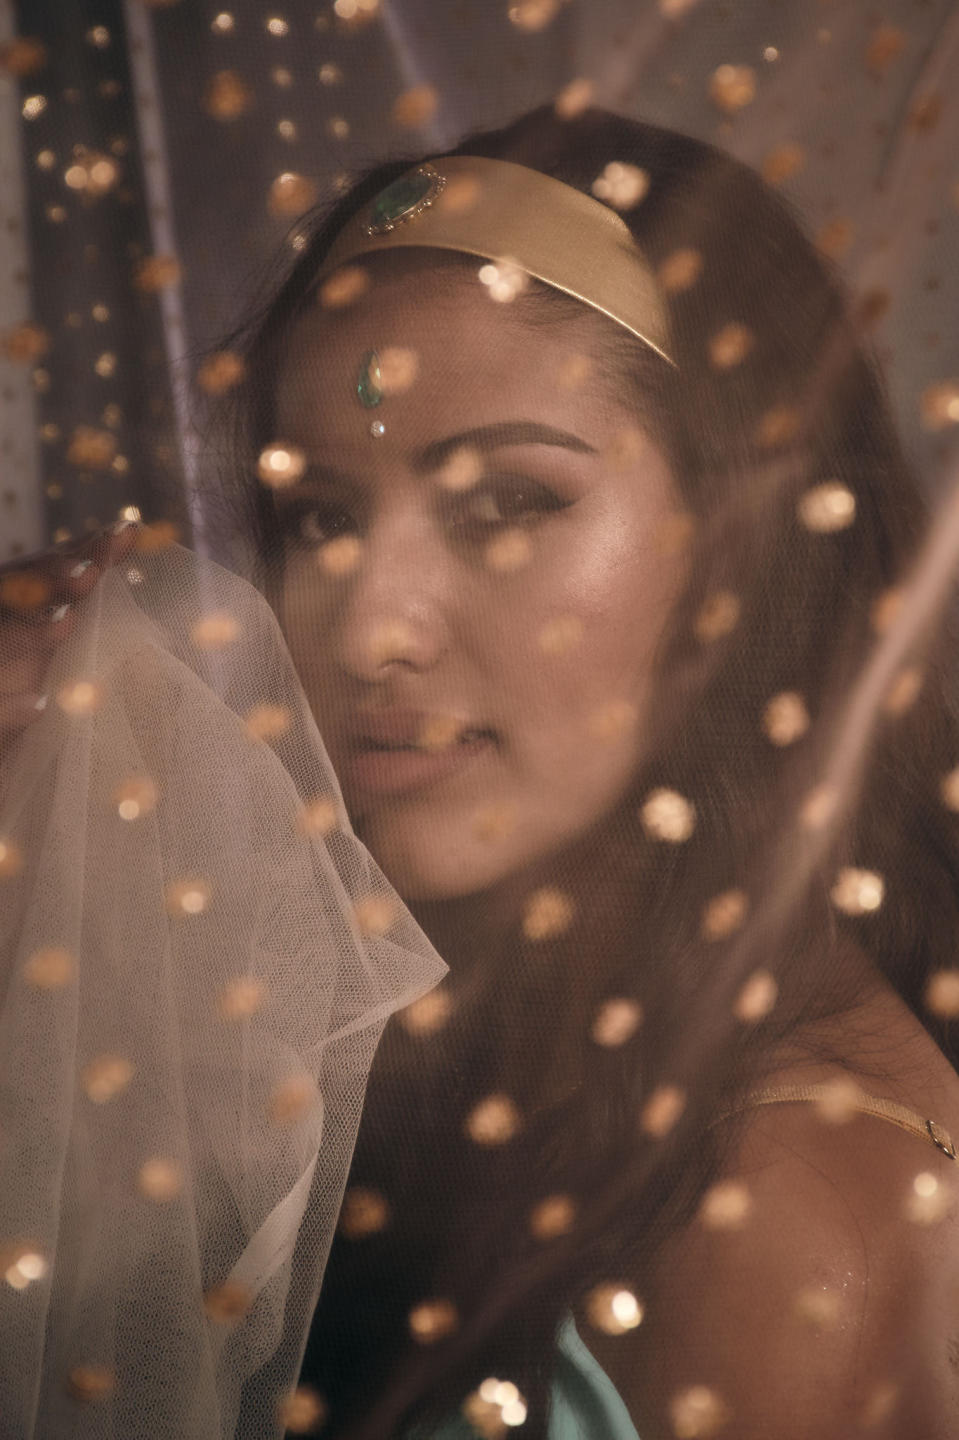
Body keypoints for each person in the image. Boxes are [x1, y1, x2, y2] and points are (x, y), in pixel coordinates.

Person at [4, 104, 959, 1438]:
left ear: (743, 548)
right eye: (319, 518)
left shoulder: (783, 1221)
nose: (367, 630)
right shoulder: (502, 1046)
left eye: (509, 502)